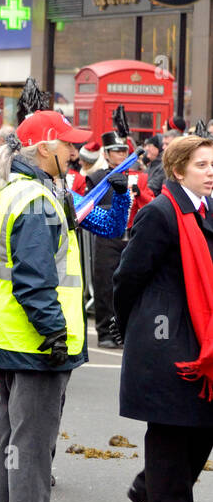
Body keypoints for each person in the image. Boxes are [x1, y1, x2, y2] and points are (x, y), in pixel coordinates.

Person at [0, 108, 93, 502]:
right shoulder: (36, 200)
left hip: (7, 337)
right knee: (33, 436)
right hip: (35, 341)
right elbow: (35, 278)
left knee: (9, 435)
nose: (76, 151)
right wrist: (55, 334)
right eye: (69, 144)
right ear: (45, 146)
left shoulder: (13, 190)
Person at [113, 134, 213, 502]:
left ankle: (149, 487)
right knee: (172, 426)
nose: (211, 173)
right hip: (167, 333)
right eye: (202, 165)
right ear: (177, 170)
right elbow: (127, 276)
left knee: (203, 424)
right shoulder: (160, 213)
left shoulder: (207, 209)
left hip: (204, 332)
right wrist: (137, 325)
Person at [86, 129, 150, 348]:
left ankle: (122, 329)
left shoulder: (137, 178)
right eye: (116, 151)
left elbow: (149, 202)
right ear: (106, 154)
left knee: (127, 283)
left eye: (124, 150)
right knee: (104, 282)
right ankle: (105, 331)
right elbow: (90, 205)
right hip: (106, 236)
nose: (121, 154)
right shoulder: (96, 177)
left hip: (130, 235)